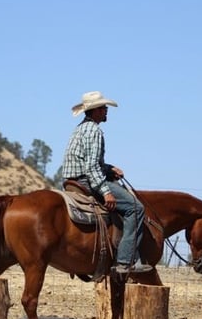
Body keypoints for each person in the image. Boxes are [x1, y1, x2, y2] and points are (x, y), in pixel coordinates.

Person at [61, 91, 152, 274]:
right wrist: (106, 191)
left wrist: (109, 169)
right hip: (86, 181)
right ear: (95, 111)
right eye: (103, 108)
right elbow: (91, 167)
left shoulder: (80, 128)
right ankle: (125, 261)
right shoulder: (94, 131)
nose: (106, 110)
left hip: (73, 180)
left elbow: (87, 161)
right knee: (135, 208)